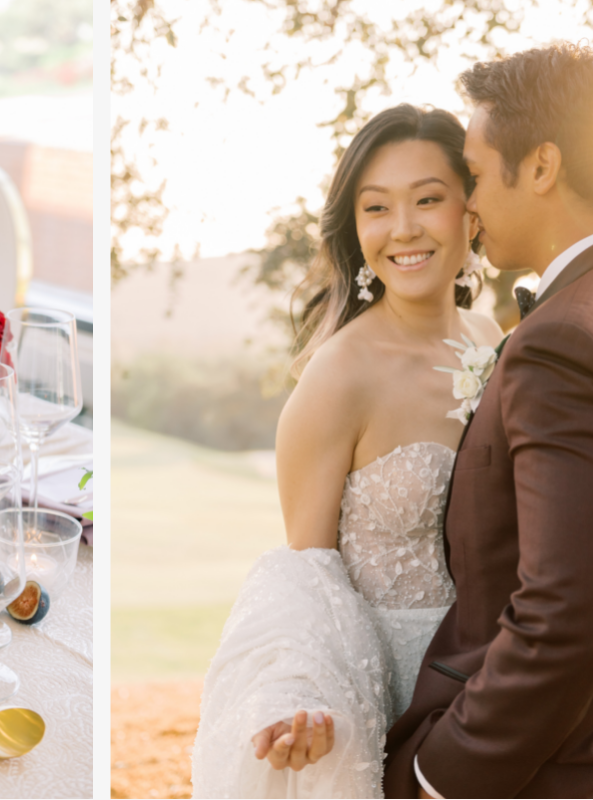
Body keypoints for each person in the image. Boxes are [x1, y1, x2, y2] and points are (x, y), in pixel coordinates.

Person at [383, 43, 593, 798]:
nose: (470, 202)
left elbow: (569, 617)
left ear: (544, 166)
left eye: (480, 173)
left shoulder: (566, 340)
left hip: (565, 777)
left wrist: (438, 774)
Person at [190, 103, 502, 798]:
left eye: (428, 199)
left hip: (498, 693)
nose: (404, 229)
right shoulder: (337, 377)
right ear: (356, 227)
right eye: (377, 208)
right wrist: (302, 697)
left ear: (470, 210)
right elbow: (306, 581)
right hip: (390, 702)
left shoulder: (494, 340)